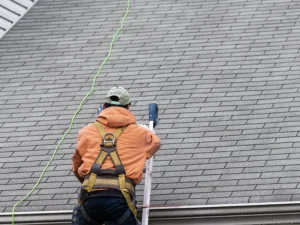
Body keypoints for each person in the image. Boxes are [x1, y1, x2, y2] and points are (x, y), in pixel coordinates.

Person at [72, 86, 161, 225]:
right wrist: (139, 155)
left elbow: (77, 165)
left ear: (104, 106)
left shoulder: (86, 131)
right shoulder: (140, 133)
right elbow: (155, 143)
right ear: (128, 107)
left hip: (90, 197)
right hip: (120, 198)